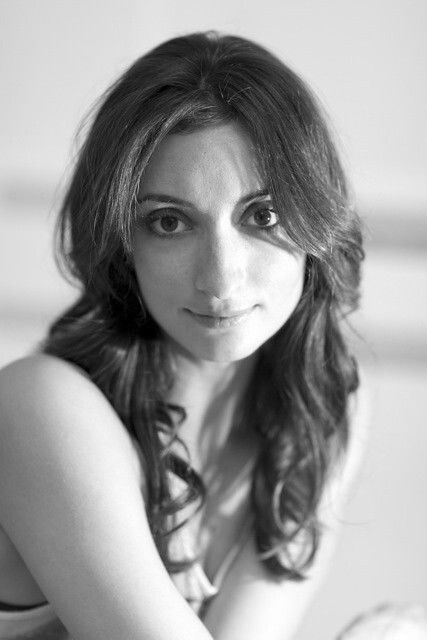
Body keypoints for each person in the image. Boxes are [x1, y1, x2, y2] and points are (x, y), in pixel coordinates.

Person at [0, 31, 367, 640]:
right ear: (123, 243)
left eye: (263, 215)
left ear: (316, 222)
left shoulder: (319, 408)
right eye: (169, 222)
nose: (220, 279)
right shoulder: (36, 407)